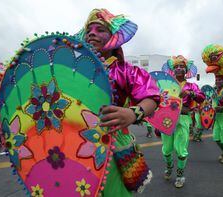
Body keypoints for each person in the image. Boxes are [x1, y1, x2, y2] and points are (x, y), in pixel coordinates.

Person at [76, 8, 160, 196]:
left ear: (114, 39)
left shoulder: (125, 71)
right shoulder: (74, 71)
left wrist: (132, 113)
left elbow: (152, 96)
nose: (92, 33)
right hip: (74, 140)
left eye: (100, 30)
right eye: (89, 30)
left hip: (111, 141)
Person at [160, 55, 205, 188]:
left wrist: (190, 94)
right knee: (166, 149)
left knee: (181, 150)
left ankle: (180, 175)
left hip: (183, 119)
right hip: (166, 119)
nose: (179, 69)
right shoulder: (167, 84)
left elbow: (201, 98)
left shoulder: (192, 86)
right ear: (173, 70)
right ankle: (169, 167)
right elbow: (159, 99)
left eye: (181, 67)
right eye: (176, 67)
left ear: (186, 70)